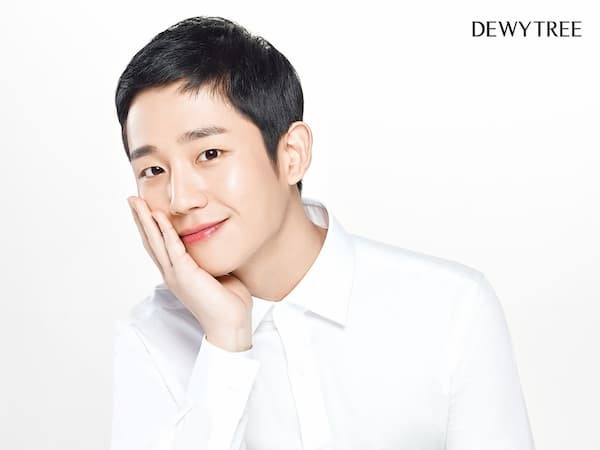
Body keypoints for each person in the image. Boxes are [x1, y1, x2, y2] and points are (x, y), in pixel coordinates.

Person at [111, 16, 535, 450]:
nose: (180, 199)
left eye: (210, 153)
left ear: (292, 154)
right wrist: (225, 342)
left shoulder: (451, 308)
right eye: (153, 170)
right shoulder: (150, 338)